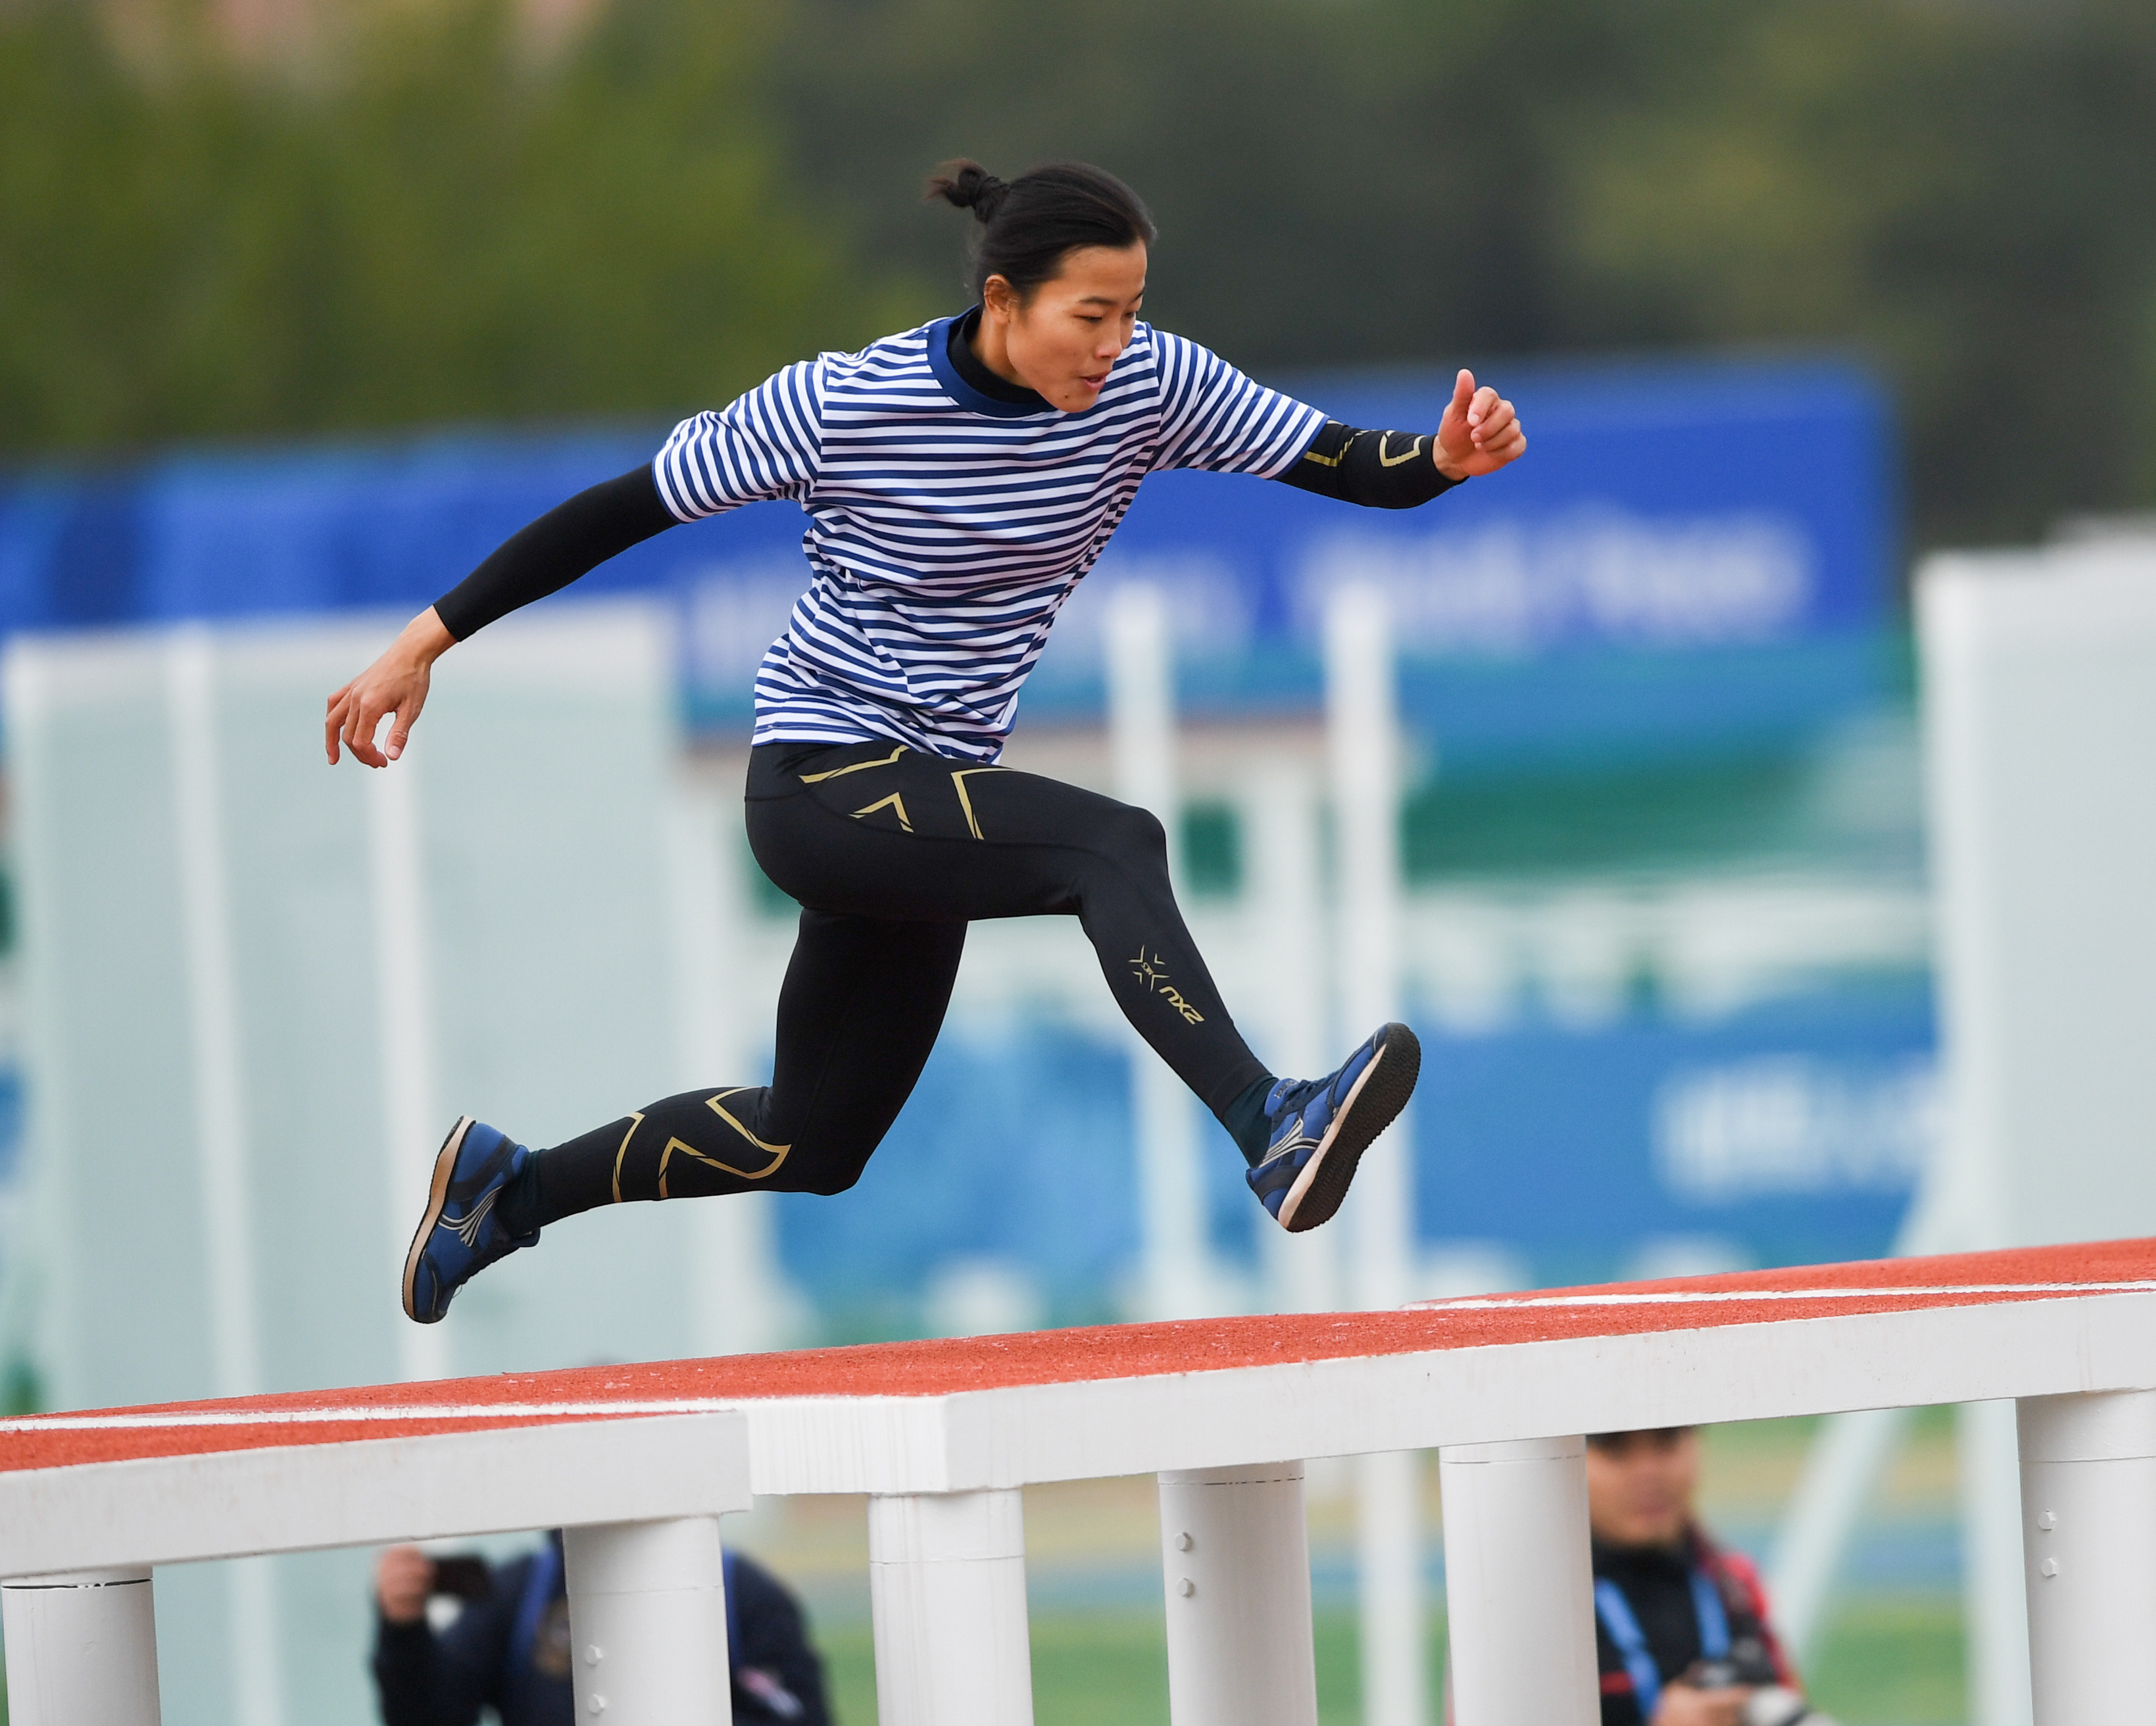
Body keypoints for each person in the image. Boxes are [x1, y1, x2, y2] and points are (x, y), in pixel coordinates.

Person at [324, 158, 1527, 1325]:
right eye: (1089, 316)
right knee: (1110, 846)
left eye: (1133, 313)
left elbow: (1338, 459)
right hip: (821, 781)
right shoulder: (847, 404)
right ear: (1002, 300)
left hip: (926, 803)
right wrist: (424, 639)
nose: (1112, 347)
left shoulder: (1148, 386)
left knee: (815, 1137)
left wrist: (1439, 460)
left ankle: (509, 1185)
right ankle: (1271, 1121)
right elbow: (618, 510)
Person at [370, 1534, 830, 1724]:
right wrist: (403, 1632)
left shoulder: (739, 1590)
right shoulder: (519, 1590)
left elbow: (801, 1716)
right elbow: (430, 1717)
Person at [1588, 1427, 1828, 1726]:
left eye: (1667, 1442)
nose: (1648, 1472)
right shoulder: (1546, 1604)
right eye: (1616, 1450)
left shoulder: (1733, 1581)